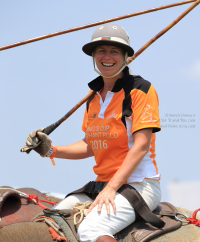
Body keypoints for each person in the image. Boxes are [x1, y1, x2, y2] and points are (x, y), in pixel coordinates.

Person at [24, 24, 161, 242]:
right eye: (101, 51)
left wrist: (112, 189)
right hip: (102, 184)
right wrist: (51, 150)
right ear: (94, 56)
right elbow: (91, 144)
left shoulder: (141, 89)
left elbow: (141, 146)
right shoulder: (93, 96)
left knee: (90, 230)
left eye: (114, 51)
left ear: (126, 56)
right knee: (51, 219)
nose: (107, 56)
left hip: (138, 186)